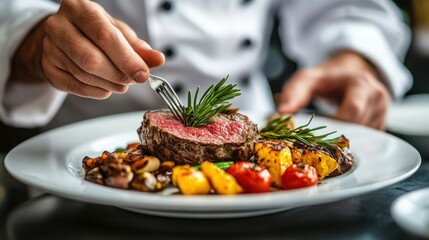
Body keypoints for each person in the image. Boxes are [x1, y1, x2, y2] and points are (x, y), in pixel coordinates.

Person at [0, 0, 412, 132]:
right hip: (73, 166)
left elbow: (347, 6)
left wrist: (352, 56)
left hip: (260, 160)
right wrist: (35, 39)